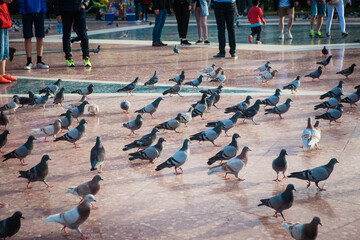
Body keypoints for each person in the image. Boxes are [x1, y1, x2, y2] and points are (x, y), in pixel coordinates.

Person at [54, 0, 91, 67]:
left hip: (79, 9)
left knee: (83, 34)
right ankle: (68, 58)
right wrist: (57, 13)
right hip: (65, 9)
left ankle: (86, 57)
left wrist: (85, 4)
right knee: (66, 34)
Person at [18, 0, 49, 70]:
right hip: (27, 12)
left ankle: (39, 60)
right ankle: (29, 61)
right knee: (27, 37)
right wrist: (23, 9)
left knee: (40, 36)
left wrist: (43, 9)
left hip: (39, 12)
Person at [0, 0, 17, 83]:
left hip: (3, 19)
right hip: (0, 19)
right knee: (0, 48)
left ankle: (2, 73)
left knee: (4, 49)